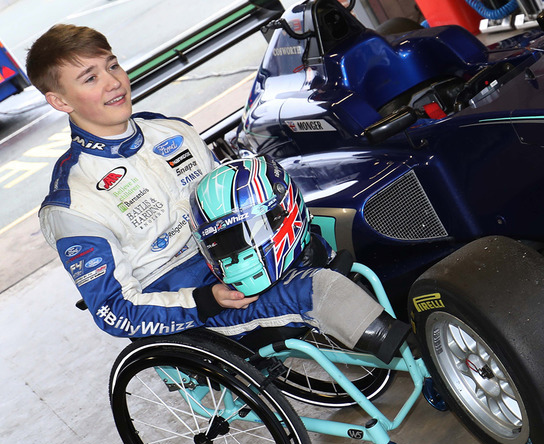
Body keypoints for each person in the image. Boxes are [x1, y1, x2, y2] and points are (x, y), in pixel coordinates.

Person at [26, 24, 409, 363]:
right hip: (194, 306)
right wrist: (203, 300)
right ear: (60, 101)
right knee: (324, 290)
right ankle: (427, 364)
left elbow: (234, 194)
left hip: (242, 258)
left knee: (344, 221)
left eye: (112, 65)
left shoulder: (173, 131)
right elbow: (113, 309)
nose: (113, 82)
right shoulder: (72, 203)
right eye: (89, 78)